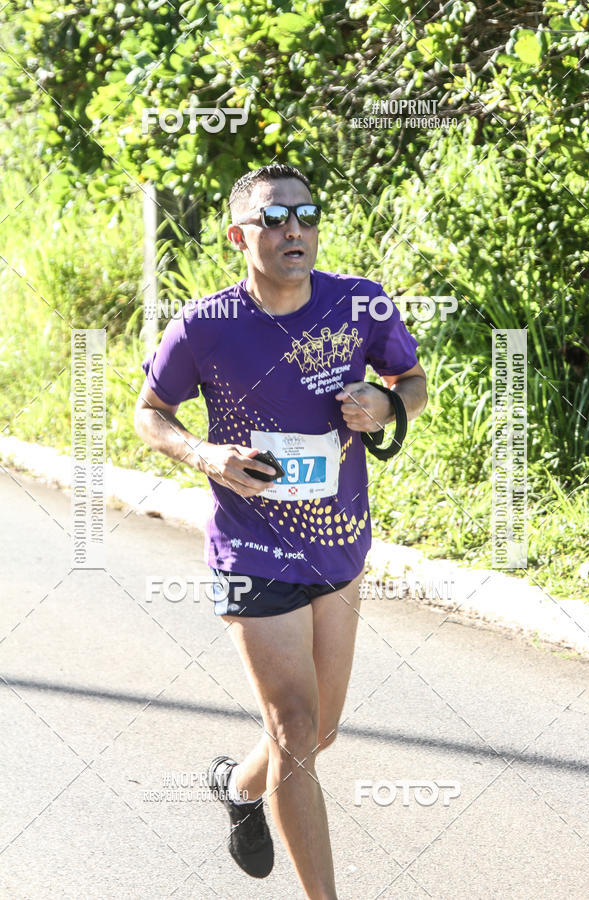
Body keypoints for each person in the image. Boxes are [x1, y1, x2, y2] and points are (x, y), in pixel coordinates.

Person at [134, 163, 428, 899]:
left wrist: (387, 409)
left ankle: (237, 786)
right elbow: (150, 413)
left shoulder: (361, 304)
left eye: (306, 214)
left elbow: (413, 383)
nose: (294, 229)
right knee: (297, 733)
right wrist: (206, 454)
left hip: (336, 541)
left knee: (320, 731)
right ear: (240, 235)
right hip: (252, 548)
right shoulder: (203, 326)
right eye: (274, 219)